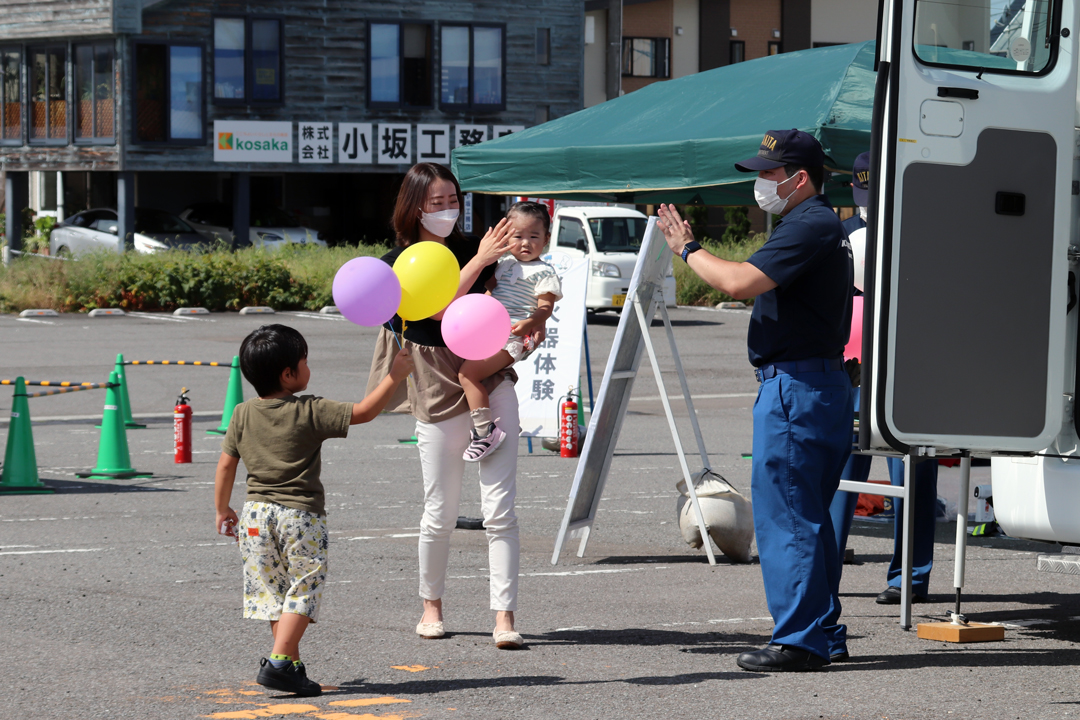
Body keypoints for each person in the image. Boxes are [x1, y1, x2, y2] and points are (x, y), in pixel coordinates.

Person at [657, 129, 854, 672]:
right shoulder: (820, 224)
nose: (762, 182)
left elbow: (738, 281)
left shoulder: (808, 224)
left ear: (800, 178)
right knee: (809, 515)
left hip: (796, 387)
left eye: (771, 173)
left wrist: (688, 249)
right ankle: (822, 629)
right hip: (818, 384)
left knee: (787, 515)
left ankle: (800, 639)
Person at [366, 162, 533, 650]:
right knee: (439, 509)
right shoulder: (396, 261)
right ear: (414, 205)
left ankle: (504, 618)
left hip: (486, 370)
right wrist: (479, 261)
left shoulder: (478, 249)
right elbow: (434, 310)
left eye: (453, 201)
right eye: (436, 202)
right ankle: (431, 607)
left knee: (501, 509)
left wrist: (534, 317)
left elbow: (503, 304)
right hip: (434, 378)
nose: (447, 211)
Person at [214, 324, 414, 696]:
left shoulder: (241, 413)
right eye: (305, 361)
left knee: (275, 594)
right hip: (299, 515)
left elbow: (226, 465)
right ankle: (277, 662)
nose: (309, 367)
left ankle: (290, 665)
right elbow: (365, 411)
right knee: (304, 588)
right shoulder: (309, 409)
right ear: (288, 374)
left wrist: (222, 508)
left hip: (255, 515)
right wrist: (395, 375)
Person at [828, 151, 940, 605]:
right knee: (844, 478)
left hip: (897, 372)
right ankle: (840, 576)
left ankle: (907, 578)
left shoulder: (919, 236)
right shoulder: (839, 235)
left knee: (906, 476)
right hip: (855, 370)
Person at [458, 201, 562, 462]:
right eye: (518, 236)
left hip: (512, 337)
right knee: (466, 370)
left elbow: (545, 308)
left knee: (468, 374)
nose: (525, 243)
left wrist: (529, 323)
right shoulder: (502, 262)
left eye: (534, 236)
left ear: (546, 239)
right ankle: (506, 424)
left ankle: (485, 431)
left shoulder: (544, 272)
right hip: (489, 332)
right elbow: (490, 291)